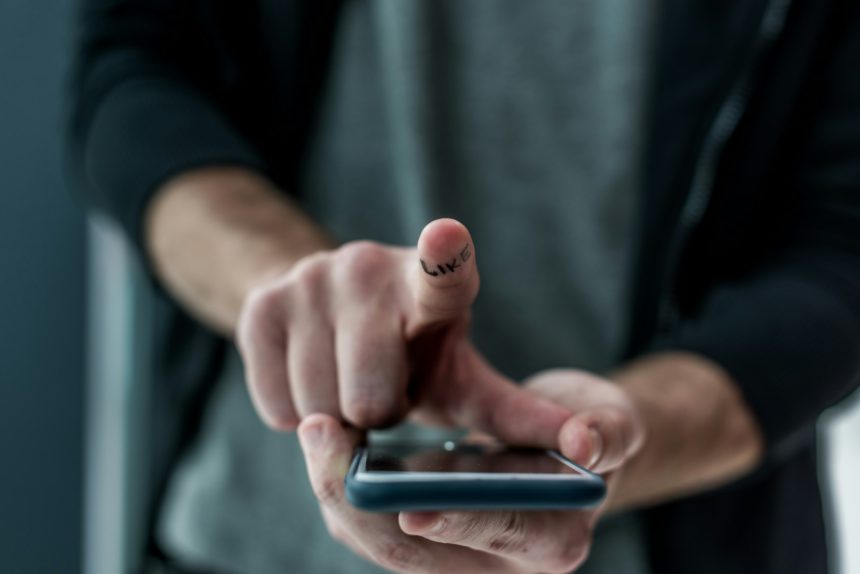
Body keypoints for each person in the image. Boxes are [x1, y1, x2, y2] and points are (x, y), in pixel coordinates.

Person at [67, 1, 860, 573]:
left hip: (687, 535)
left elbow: (839, 253)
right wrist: (302, 294)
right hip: (247, 532)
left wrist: (620, 437)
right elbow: (137, 70)